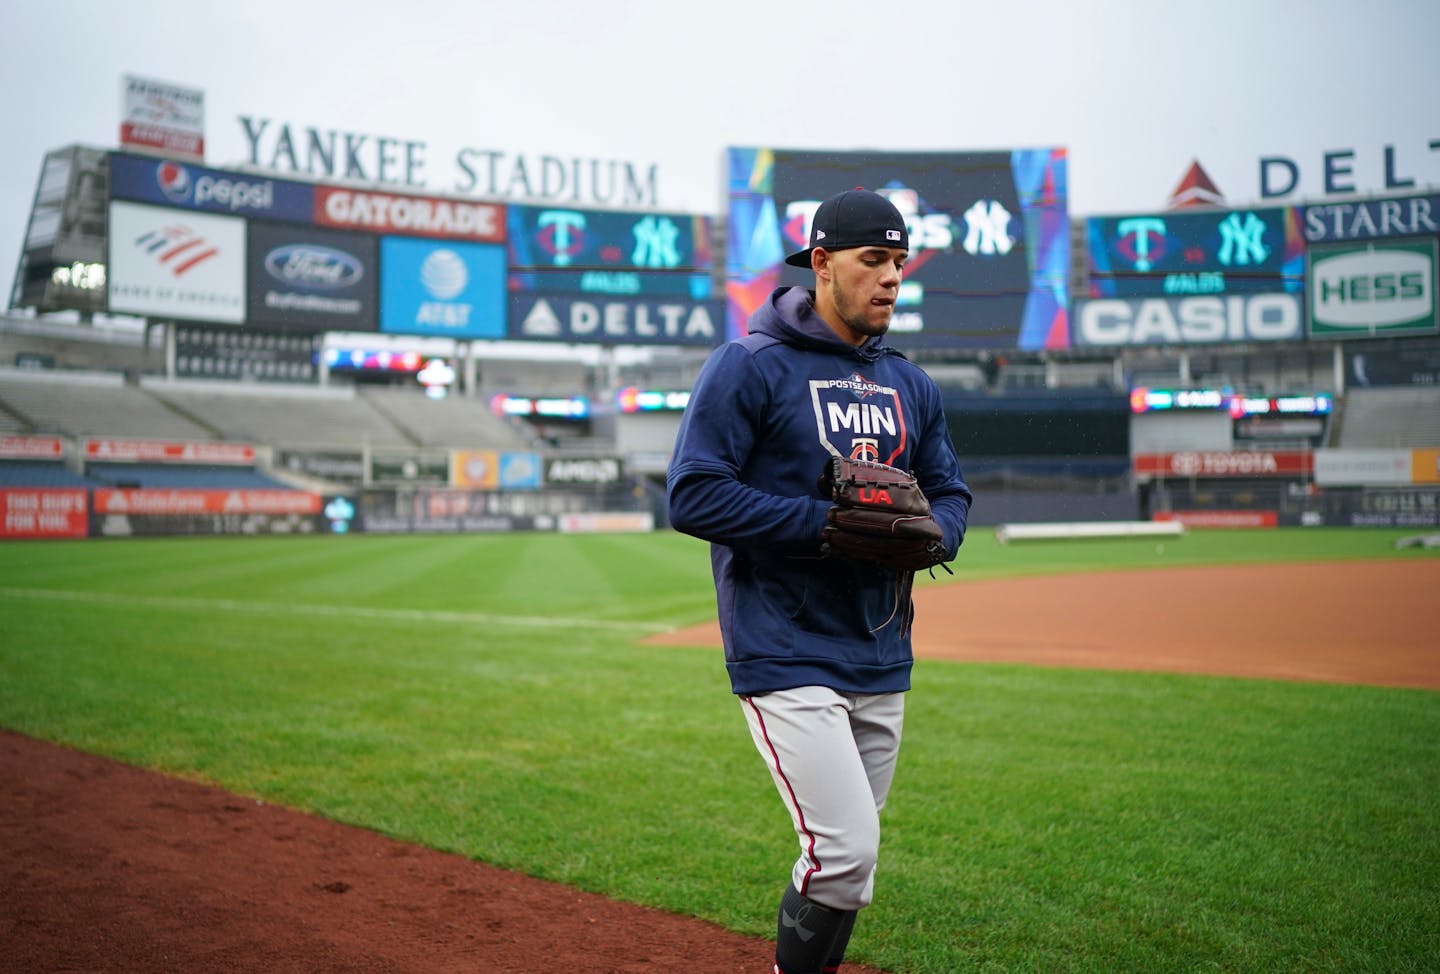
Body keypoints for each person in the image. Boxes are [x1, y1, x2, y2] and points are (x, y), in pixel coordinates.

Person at [666, 188, 973, 974]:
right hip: (784, 645)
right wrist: (822, 525)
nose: (891, 279)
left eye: (900, 263)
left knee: (851, 870)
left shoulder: (911, 385)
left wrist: (938, 535)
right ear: (822, 262)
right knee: (842, 853)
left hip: (879, 650)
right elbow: (693, 492)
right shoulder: (750, 365)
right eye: (874, 260)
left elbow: (949, 490)